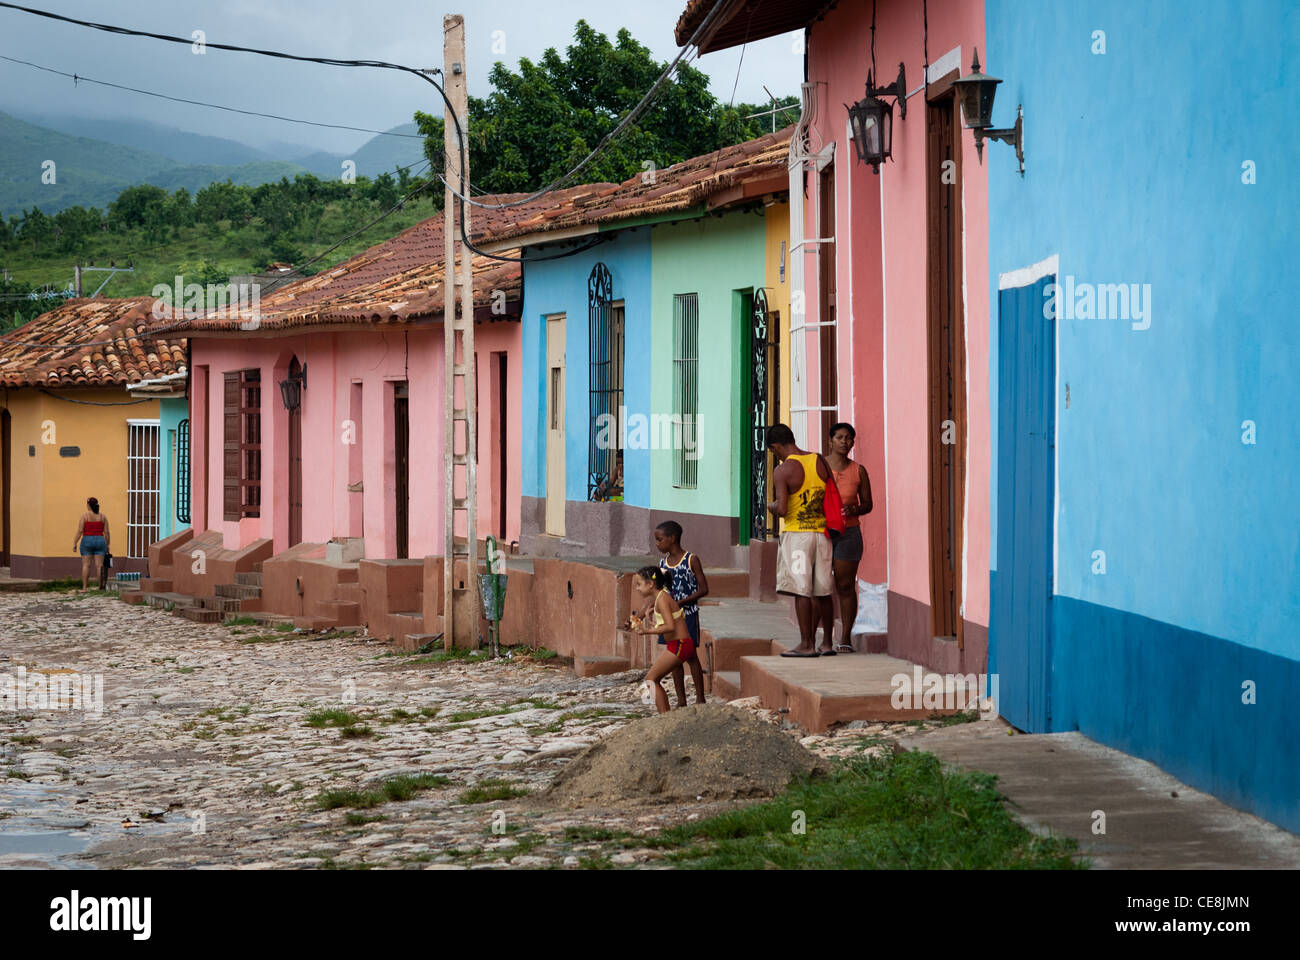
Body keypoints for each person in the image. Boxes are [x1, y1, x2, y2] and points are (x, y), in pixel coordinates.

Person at [765, 424, 836, 656]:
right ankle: (826, 643)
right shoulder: (818, 460)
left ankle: (806, 644)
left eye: (773, 451)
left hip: (797, 536)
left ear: (775, 446)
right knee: (823, 590)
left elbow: (783, 508)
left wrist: (771, 507)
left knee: (801, 590)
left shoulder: (783, 470)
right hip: (822, 535)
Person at [826, 423, 873, 653]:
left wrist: (853, 510)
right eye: (840, 437)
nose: (845, 442)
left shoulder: (858, 471)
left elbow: (868, 504)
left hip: (849, 533)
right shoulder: (820, 467)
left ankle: (845, 637)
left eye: (849, 438)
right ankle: (824, 638)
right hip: (822, 532)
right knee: (820, 586)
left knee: (844, 585)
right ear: (831, 441)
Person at [654, 520, 709, 706]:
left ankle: (700, 698)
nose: (657, 544)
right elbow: (659, 589)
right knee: (674, 659)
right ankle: (681, 700)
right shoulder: (663, 563)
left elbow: (703, 589)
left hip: (688, 616)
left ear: (672, 538)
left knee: (691, 656)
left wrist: (681, 603)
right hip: (670, 618)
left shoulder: (691, 559)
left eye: (660, 540)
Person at [632, 566, 696, 714]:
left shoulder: (662, 599)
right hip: (680, 644)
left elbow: (670, 626)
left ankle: (664, 717)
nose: (637, 588)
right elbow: (671, 620)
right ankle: (665, 715)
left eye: (639, 584)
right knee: (652, 679)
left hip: (679, 645)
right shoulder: (662, 596)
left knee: (651, 679)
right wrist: (655, 623)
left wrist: (647, 631)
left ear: (650, 584)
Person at [73, 496, 110, 592]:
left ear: (88, 505)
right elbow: (106, 532)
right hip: (100, 541)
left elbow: (80, 530)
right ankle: (100, 587)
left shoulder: (85, 516)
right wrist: (107, 544)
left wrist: (75, 543)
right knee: (99, 565)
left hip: (87, 541)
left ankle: (84, 588)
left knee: (86, 565)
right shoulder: (103, 517)